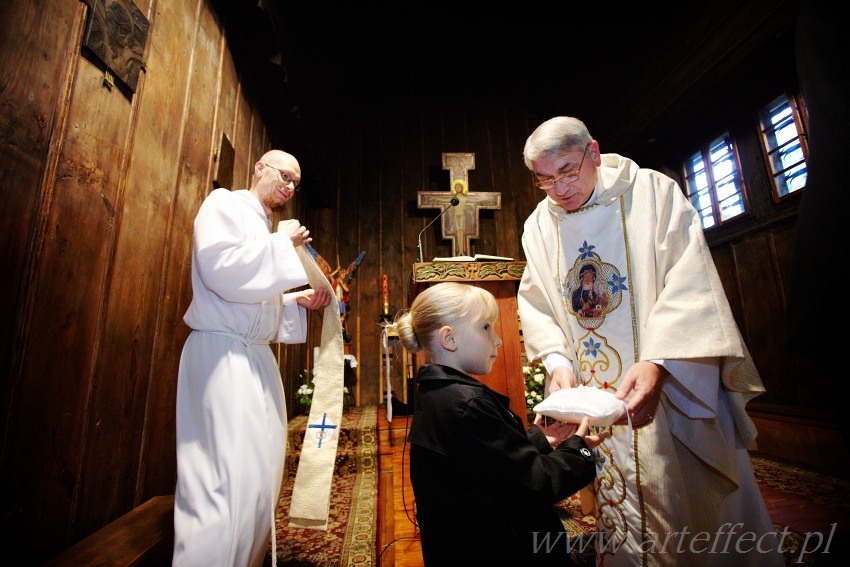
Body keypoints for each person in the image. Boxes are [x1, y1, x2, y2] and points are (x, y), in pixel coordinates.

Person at [517, 116, 785, 566]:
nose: (559, 190)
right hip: (593, 389)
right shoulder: (539, 225)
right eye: (545, 180)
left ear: (594, 153)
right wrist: (559, 361)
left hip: (670, 384)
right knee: (615, 504)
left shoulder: (652, 194)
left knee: (686, 502)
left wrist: (659, 360)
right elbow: (539, 300)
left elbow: (690, 279)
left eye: (567, 172)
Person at [172, 150, 332, 566]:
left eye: (296, 183)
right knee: (225, 481)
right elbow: (221, 270)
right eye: (284, 175)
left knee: (260, 475)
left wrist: (295, 299)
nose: (289, 186)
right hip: (222, 357)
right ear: (260, 167)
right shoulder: (224, 203)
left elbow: (252, 303)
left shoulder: (264, 226)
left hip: (252, 357)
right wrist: (284, 245)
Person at [395, 282, 606, 566]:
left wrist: (539, 439)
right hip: (499, 550)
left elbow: (483, 462)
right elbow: (537, 485)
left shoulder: (438, 392)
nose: (497, 339)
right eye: (485, 328)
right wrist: (577, 450)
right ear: (449, 338)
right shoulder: (466, 405)